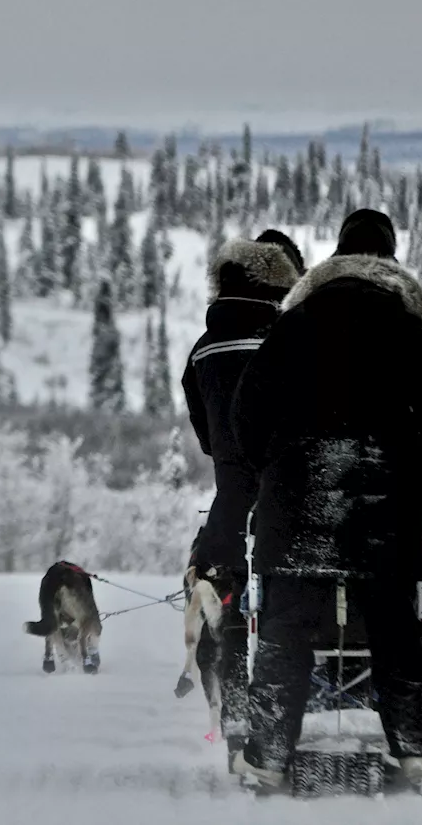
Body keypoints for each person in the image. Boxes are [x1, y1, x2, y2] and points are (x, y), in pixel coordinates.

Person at [228, 209, 422, 788]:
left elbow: (246, 416)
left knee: (285, 632)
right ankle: (414, 752)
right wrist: (420, 479)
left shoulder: (294, 326)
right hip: (383, 506)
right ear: (389, 265)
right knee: (395, 630)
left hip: (295, 503)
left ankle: (266, 758)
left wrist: (279, 472)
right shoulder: (408, 328)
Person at [176, 230, 304, 751]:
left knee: (226, 603)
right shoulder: (293, 338)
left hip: (230, 507)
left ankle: (232, 708)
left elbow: (207, 439)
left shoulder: (203, 349)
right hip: (289, 504)